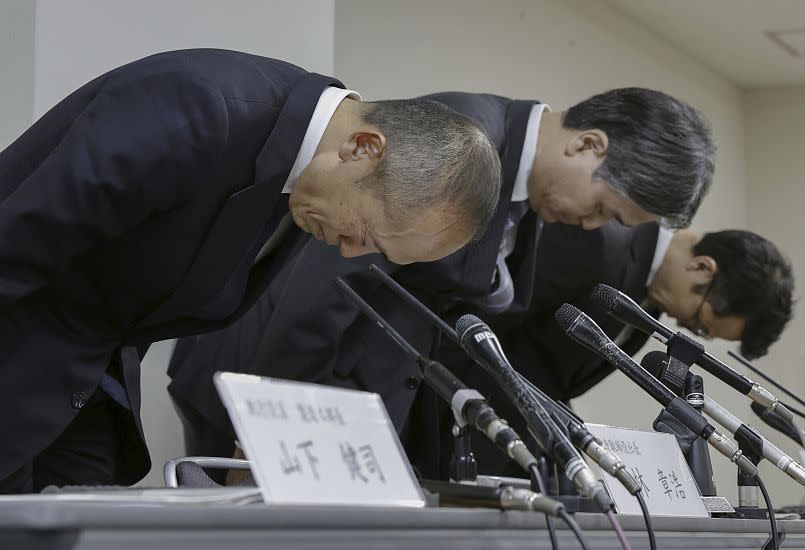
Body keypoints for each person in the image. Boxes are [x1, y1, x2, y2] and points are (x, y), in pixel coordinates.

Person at [0, 48, 504, 493]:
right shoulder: (201, 105)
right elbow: (18, 244)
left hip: (76, 401)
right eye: (368, 234)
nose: (352, 253)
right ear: (363, 148)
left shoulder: (299, 181)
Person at [167, 88, 718, 479]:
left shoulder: (524, 198)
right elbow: (326, 282)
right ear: (587, 146)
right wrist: (273, 425)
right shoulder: (462, 138)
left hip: (338, 405)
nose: (592, 227)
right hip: (265, 380)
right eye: (603, 208)